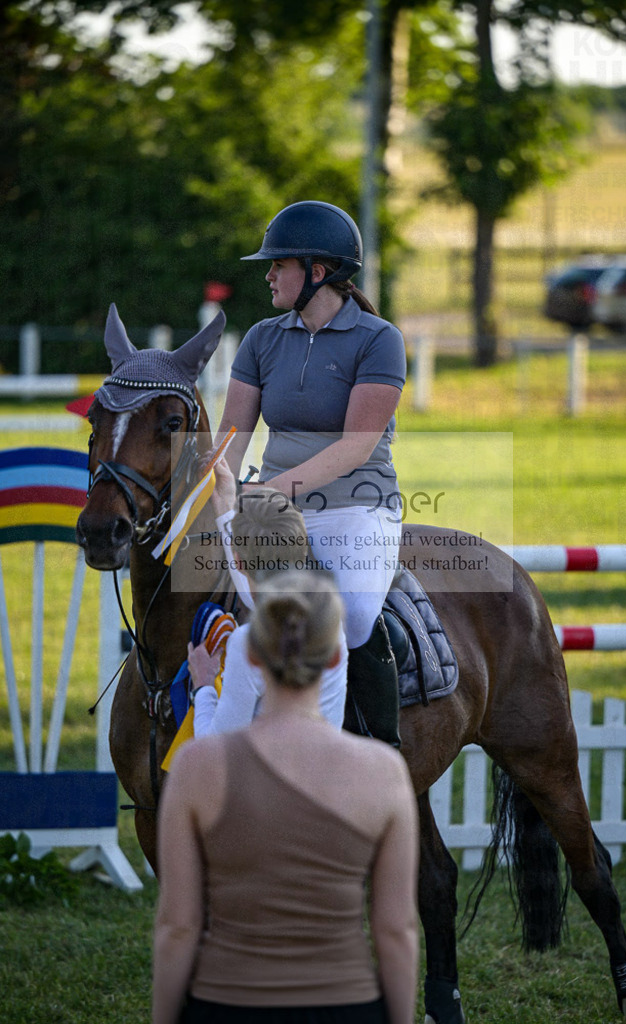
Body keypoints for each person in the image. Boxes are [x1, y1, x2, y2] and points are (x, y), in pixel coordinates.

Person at [153, 568, 419, 1024]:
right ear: (337, 657)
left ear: (251, 655)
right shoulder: (384, 774)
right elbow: (395, 931)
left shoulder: (197, 769)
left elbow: (179, 926)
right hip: (343, 1005)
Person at [214, 200, 407, 745]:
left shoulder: (379, 339)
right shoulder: (260, 339)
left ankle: (379, 747)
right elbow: (232, 433)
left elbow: (355, 447)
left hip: (355, 509)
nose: (268, 274)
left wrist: (267, 493)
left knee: (360, 615)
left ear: (318, 272)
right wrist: (222, 495)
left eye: (279, 264)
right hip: (270, 513)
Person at [187, 467, 348, 733]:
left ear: (237, 560)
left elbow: (216, 745)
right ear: (302, 547)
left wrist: (203, 685)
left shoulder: (248, 641)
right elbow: (255, 594)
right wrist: (225, 502)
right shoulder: (330, 623)